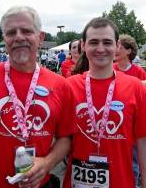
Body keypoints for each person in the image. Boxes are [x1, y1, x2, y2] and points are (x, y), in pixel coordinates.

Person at [0, 6, 76, 188]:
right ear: (5, 39)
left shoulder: (60, 85)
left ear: (41, 37)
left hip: (40, 184)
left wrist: (46, 164)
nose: (18, 37)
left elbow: (66, 138)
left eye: (26, 31)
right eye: (11, 32)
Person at [62, 17, 146, 188]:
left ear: (116, 46)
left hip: (121, 182)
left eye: (107, 42)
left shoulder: (136, 88)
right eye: (94, 42)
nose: (100, 49)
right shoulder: (68, 87)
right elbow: (60, 139)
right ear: (83, 46)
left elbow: (142, 143)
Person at [114, 34, 146, 188]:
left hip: (131, 126)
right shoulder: (110, 69)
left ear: (128, 51)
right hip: (113, 123)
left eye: (119, 47)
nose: (115, 50)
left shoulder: (139, 73)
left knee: (133, 162)